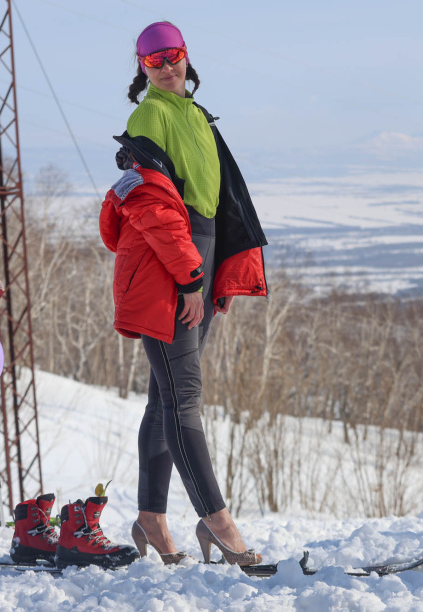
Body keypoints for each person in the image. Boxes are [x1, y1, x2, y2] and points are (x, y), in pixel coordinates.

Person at [99, 21, 268, 566]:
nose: (166, 65)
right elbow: (149, 206)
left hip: (200, 255)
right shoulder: (149, 116)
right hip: (171, 267)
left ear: (186, 57)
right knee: (184, 396)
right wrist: (190, 276)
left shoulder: (195, 114)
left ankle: (151, 517)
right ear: (142, 67)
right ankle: (216, 520)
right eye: (154, 59)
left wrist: (211, 272)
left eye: (173, 55)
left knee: (164, 396)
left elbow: (215, 202)